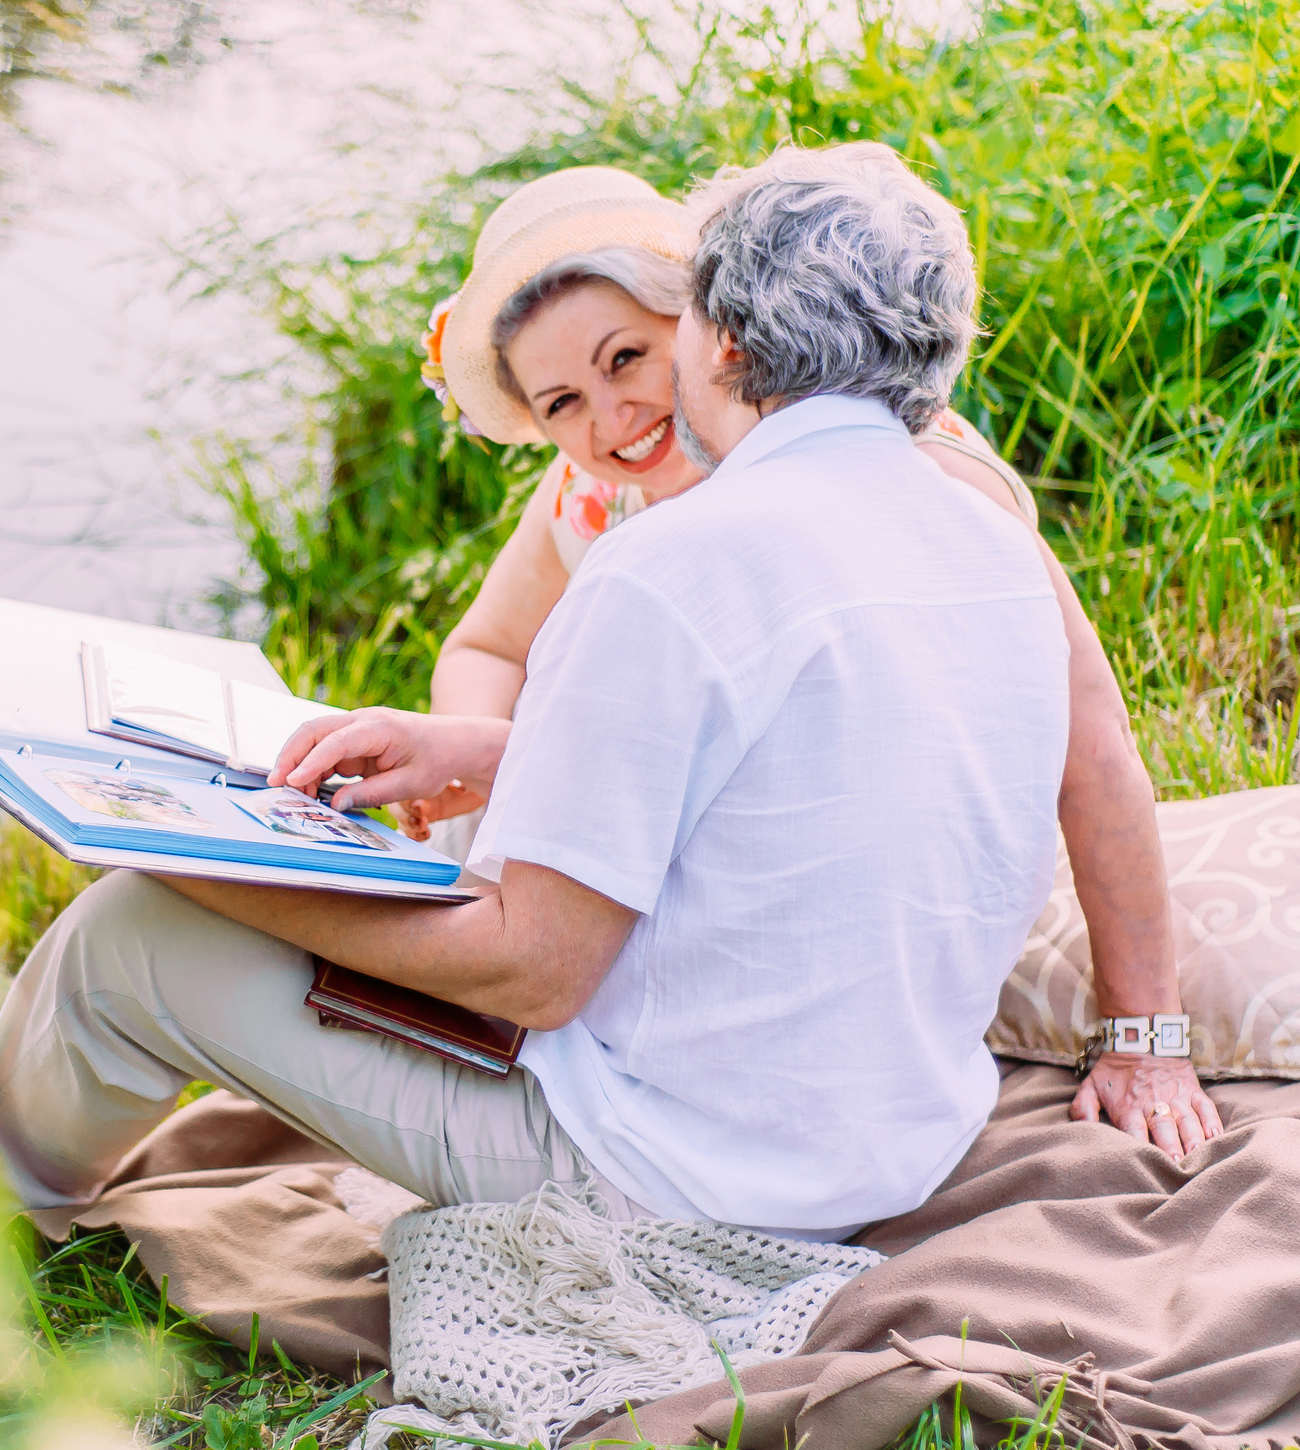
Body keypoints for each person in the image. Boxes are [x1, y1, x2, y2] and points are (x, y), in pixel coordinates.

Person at [0, 143, 1095, 1238]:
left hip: (680, 1170)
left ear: (718, 338)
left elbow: (533, 972)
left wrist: (180, 850)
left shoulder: (670, 566)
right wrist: (480, 754)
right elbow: (788, 770)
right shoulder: (988, 538)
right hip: (898, 1135)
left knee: (126, 933)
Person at [399, 165, 1216, 1151]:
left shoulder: (916, 472)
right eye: (563, 401)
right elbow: (486, 642)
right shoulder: (588, 502)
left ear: (712, 328)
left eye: (628, 358)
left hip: (833, 906)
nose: (610, 419)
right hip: (658, 859)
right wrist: (496, 746)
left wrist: (1145, 1037)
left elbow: (1091, 750)